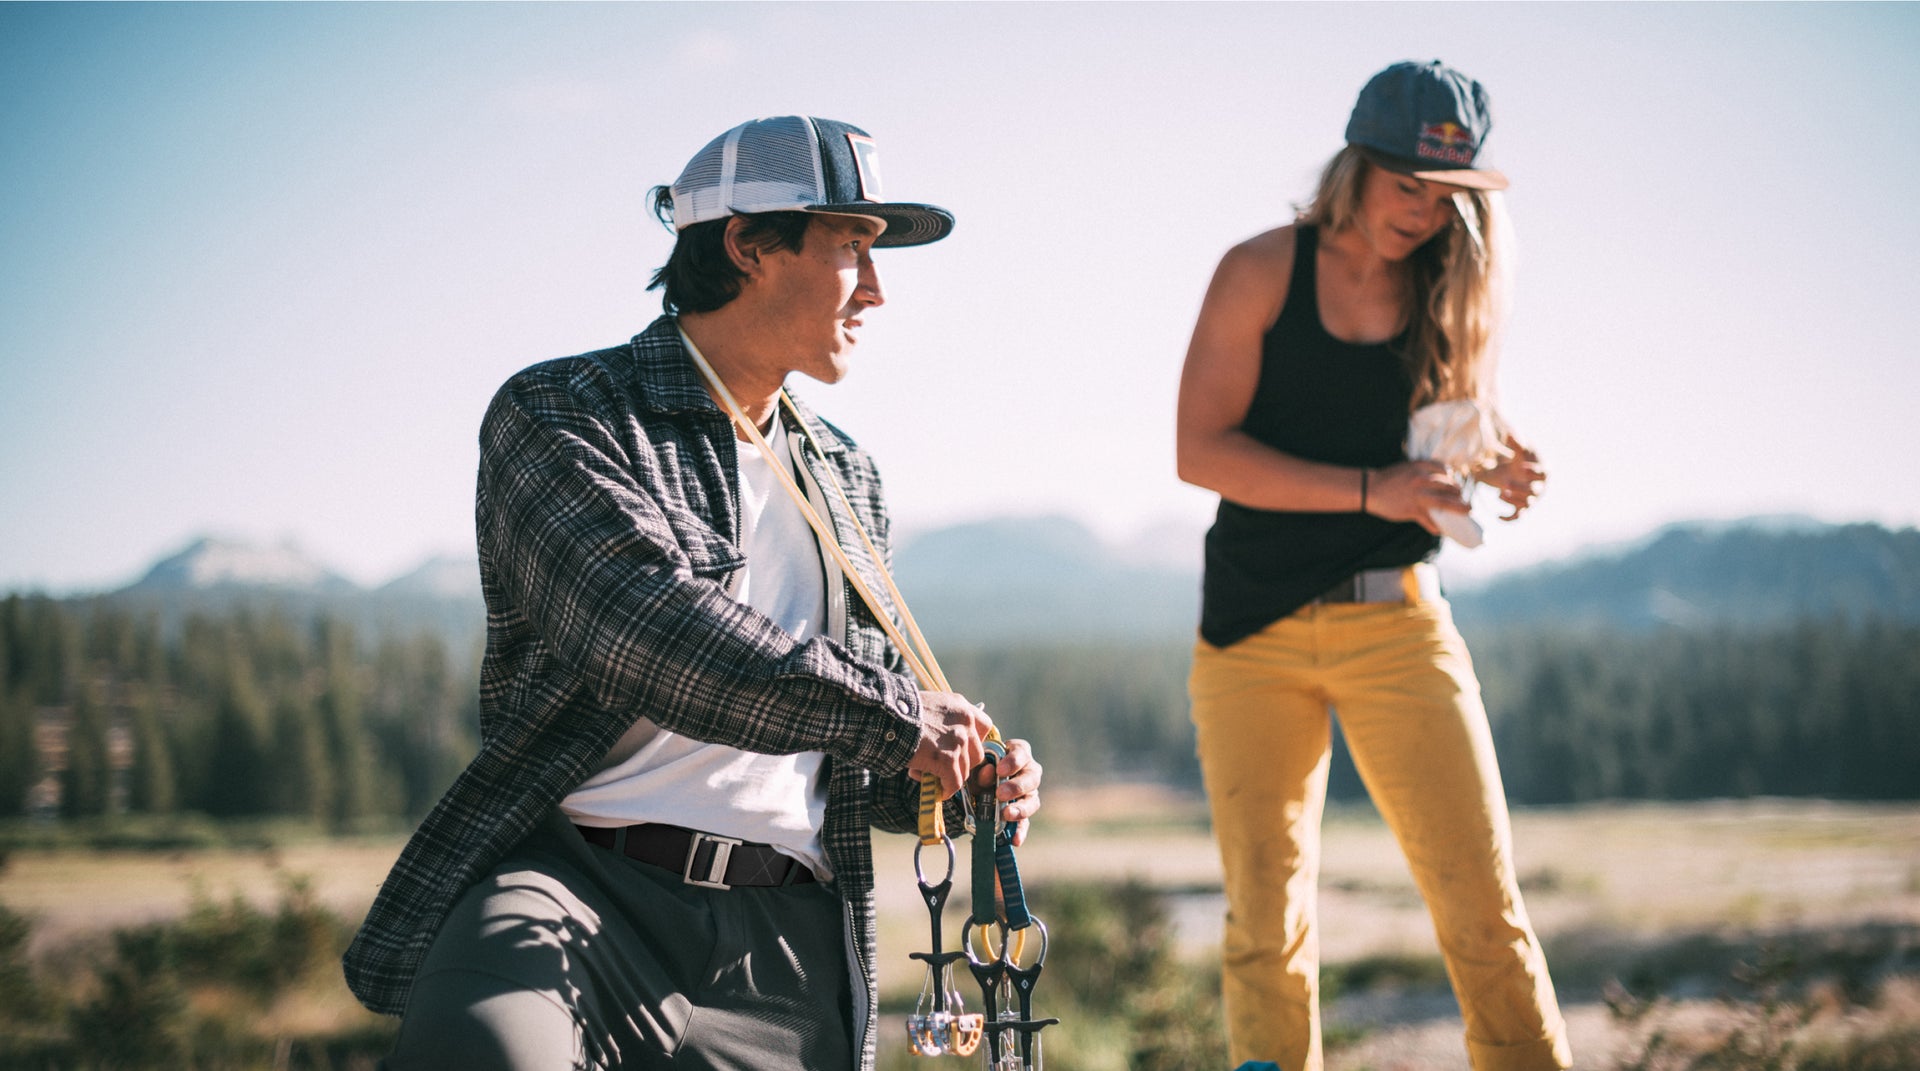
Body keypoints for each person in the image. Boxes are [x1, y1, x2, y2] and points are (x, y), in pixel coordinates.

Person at [344, 115, 1043, 1071]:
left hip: (787, 946)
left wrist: (957, 775)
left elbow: (859, 758)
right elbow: (640, 627)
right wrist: (897, 717)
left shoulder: (846, 473)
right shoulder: (564, 413)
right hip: (578, 894)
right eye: (851, 246)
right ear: (749, 245)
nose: (876, 290)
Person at [1175, 62, 1569, 1070]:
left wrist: (1499, 452)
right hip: (1250, 637)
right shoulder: (1260, 269)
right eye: (1410, 186)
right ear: (1357, 166)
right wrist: (1372, 491)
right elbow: (1201, 451)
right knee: (1266, 929)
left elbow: (1437, 433)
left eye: (1450, 197)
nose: (1428, 213)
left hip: (1400, 624)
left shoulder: (1452, 286)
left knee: (1484, 912)